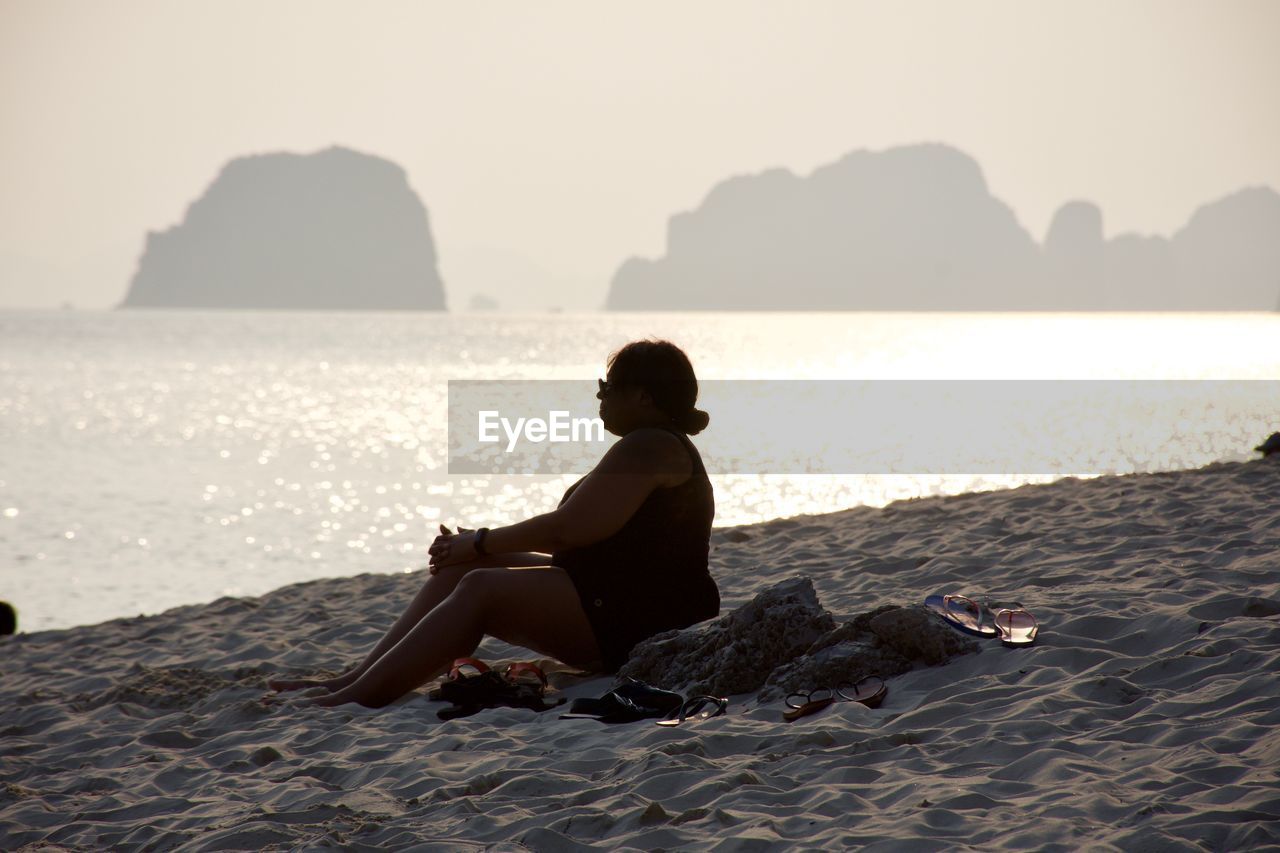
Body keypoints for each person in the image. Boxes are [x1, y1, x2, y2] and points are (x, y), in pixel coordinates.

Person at [270, 339, 719, 708]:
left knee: (481, 585)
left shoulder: (650, 447)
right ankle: (354, 678)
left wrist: (481, 542)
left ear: (643, 395)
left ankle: (355, 698)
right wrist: (472, 546)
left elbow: (570, 529)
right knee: (459, 568)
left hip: (642, 621)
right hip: (614, 597)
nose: (600, 396)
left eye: (607, 386)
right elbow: (587, 544)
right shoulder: (650, 444)